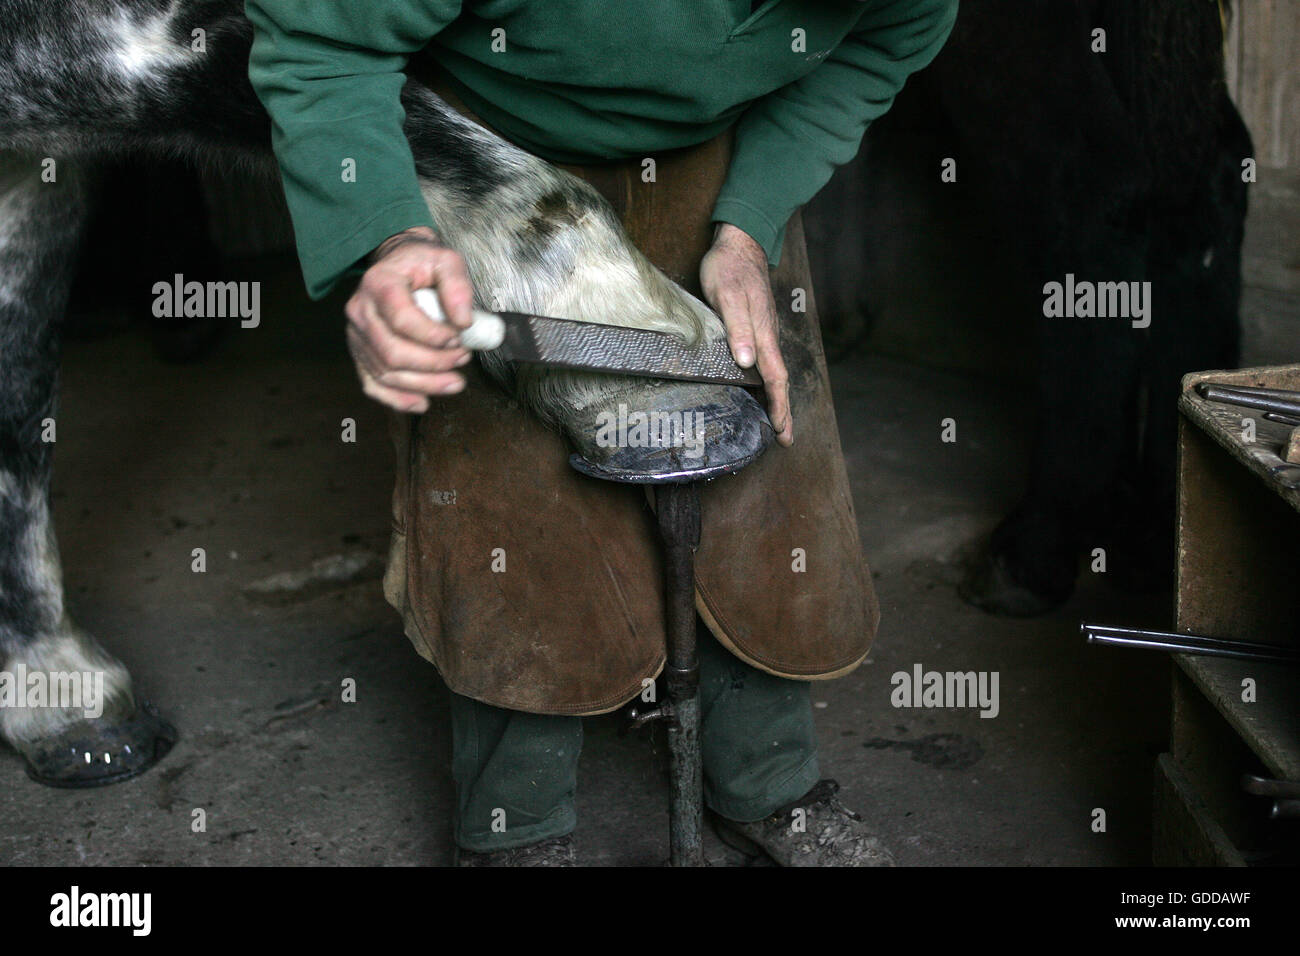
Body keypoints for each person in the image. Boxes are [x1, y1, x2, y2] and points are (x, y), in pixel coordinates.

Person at [246, 0, 958, 866]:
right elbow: (317, 45)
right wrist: (391, 233)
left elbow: (874, 53)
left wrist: (749, 224)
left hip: (717, 151)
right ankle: (518, 827)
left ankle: (771, 785)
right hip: (492, 142)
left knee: (766, 491)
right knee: (519, 516)